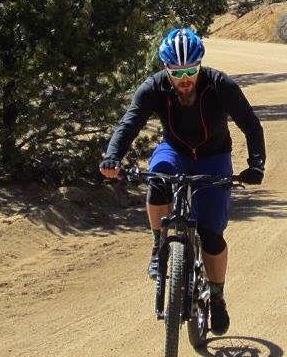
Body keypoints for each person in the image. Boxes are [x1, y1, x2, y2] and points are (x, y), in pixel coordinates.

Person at [100, 27, 266, 336]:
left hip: (214, 157)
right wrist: (112, 157)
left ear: (200, 64)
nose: (184, 78)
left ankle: (217, 298)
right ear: (165, 68)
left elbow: (251, 125)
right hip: (174, 150)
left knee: (211, 233)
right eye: (176, 72)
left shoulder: (220, 85)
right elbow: (129, 122)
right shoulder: (153, 88)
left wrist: (256, 165)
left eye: (191, 70)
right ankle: (158, 244)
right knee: (158, 180)